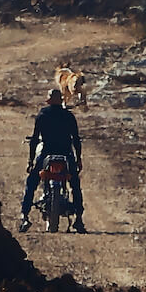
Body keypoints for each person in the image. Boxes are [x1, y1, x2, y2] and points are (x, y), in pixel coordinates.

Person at [21, 88, 84, 233]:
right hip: (66, 154)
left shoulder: (43, 115)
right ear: (61, 100)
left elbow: (35, 139)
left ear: (49, 101)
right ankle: (79, 219)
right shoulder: (68, 116)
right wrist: (78, 159)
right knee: (75, 185)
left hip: (46, 153)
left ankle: (25, 215)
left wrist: (30, 161)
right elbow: (76, 139)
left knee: (31, 183)